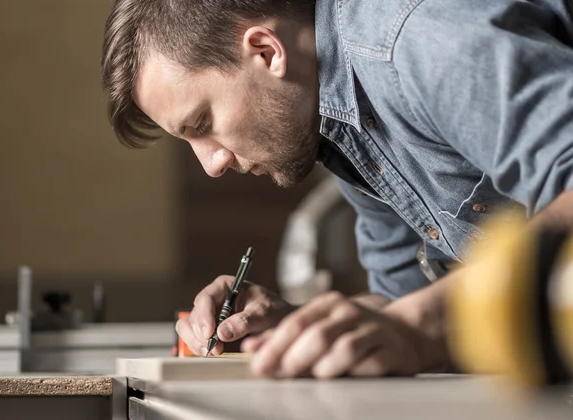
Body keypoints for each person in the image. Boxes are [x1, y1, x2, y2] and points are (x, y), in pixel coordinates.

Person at [101, 0, 573, 378]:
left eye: (203, 123)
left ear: (267, 50)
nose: (211, 165)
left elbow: (422, 322)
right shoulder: (337, 127)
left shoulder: (414, 35)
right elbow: (403, 307)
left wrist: (422, 324)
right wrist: (298, 334)